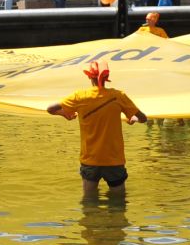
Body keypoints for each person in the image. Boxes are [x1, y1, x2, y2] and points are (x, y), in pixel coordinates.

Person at [45, 60, 148, 194]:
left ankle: (93, 215)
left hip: (90, 160)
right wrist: (132, 118)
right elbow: (143, 118)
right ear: (107, 78)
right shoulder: (118, 96)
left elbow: (51, 109)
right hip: (114, 160)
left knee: (89, 200)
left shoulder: (79, 97)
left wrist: (64, 114)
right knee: (118, 202)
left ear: (89, 76)